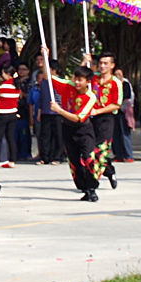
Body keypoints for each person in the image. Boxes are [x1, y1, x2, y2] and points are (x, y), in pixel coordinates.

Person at [46, 63, 99, 201]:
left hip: (83, 130)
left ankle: (92, 188)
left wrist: (59, 110)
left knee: (87, 158)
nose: (76, 82)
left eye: (80, 80)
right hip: (68, 128)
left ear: (88, 82)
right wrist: (45, 55)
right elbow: (48, 76)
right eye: (75, 78)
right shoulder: (68, 86)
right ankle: (84, 188)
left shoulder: (90, 97)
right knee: (74, 161)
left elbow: (78, 118)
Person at [88, 53, 121, 189]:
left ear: (112, 66)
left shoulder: (115, 83)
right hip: (91, 118)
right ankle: (109, 170)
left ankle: (93, 180)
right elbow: (77, 79)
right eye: (101, 63)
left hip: (106, 119)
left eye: (106, 63)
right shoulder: (93, 78)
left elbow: (116, 104)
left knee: (100, 150)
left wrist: (98, 111)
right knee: (89, 150)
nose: (102, 66)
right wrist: (85, 61)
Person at [0, 67, 19, 169]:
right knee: (10, 137)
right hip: (13, 113)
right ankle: (12, 160)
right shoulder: (16, 85)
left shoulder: (3, 86)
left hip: (2, 114)